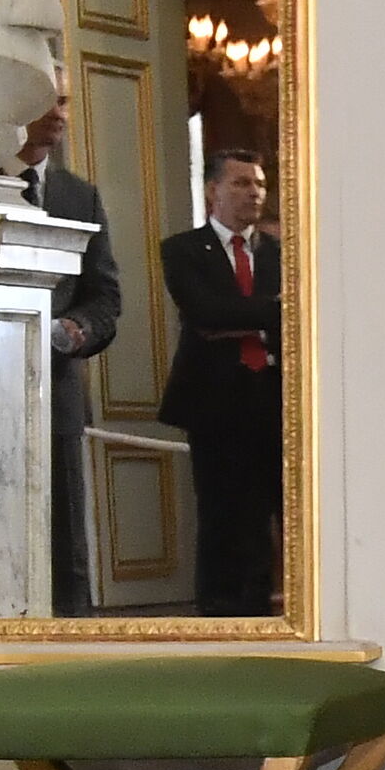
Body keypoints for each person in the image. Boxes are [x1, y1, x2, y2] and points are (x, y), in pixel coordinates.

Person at [160, 147, 281, 616]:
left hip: (272, 400)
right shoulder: (184, 250)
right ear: (213, 190)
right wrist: (270, 311)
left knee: (271, 515)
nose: (254, 193)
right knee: (222, 517)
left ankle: (264, 617)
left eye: (259, 184)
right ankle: (219, 616)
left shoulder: (282, 254)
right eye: (241, 183)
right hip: (215, 405)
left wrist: (244, 317)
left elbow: (296, 318)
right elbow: (206, 313)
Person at [19, 78, 122, 615]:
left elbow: (105, 297)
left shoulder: (79, 196)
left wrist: (79, 327)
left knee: (67, 547)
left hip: (55, 391)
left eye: (63, 101)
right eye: (45, 99)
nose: (58, 113)